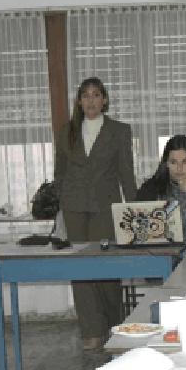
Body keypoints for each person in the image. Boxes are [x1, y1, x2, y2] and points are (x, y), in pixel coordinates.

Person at [54, 77, 137, 350]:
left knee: (105, 267)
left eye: (96, 95)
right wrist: (59, 210)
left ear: (105, 100)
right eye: (85, 95)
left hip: (106, 207)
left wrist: (133, 210)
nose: (91, 100)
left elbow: (126, 172)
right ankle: (91, 330)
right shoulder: (67, 131)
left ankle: (114, 326)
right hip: (74, 207)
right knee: (79, 269)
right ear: (79, 101)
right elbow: (60, 174)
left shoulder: (119, 131)